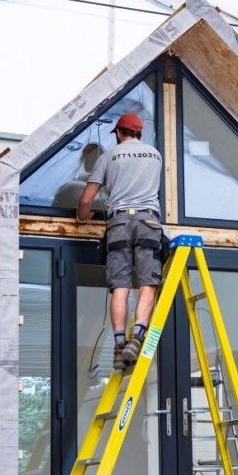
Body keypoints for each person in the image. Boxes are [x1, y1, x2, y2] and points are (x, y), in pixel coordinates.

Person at [76, 112, 163, 371]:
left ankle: (117, 345)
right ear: (140, 133)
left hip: (119, 223)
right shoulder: (156, 155)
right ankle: (137, 337)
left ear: (118, 133)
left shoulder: (108, 157)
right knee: (148, 282)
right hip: (149, 221)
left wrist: (82, 218)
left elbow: (85, 200)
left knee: (120, 286)